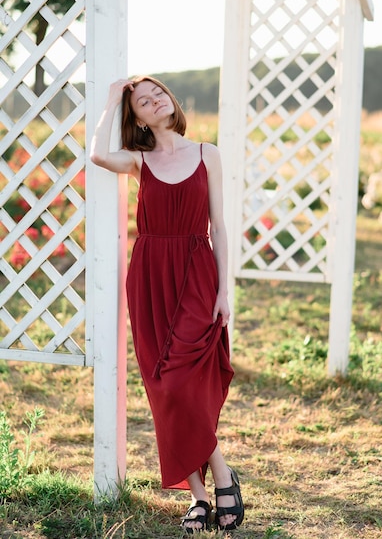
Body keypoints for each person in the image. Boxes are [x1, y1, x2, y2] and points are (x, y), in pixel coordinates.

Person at [90, 76, 244, 533]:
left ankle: (219, 473)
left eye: (158, 92)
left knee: (181, 381)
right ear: (136, 117)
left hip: (197, 274)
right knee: (163, 387)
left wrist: (224, 288)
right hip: (151, 277)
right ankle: (203, 493)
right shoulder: (140, 160)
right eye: (142, 100)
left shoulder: (206, 153)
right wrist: (111, 96)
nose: (154, 99)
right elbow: (98, 154)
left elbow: (219, 223)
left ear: (170, 101)